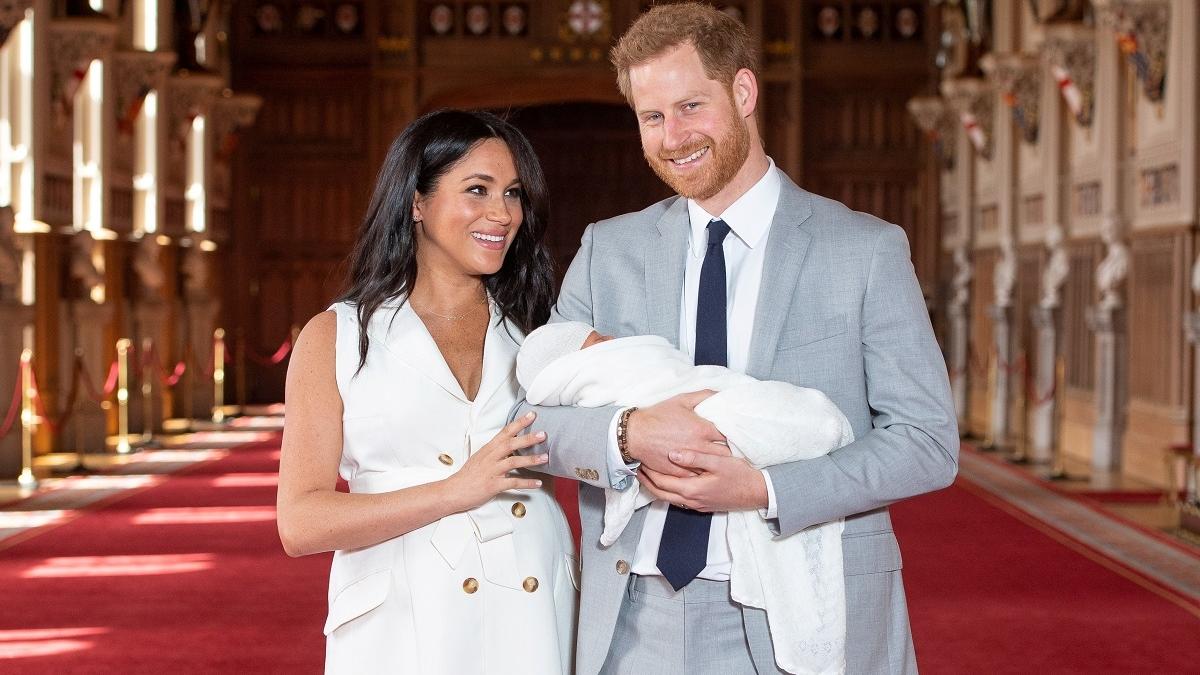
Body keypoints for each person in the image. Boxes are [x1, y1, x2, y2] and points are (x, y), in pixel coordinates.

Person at [513, 4, 959, 674]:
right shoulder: (609, 250)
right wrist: (628, 434)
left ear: (743, 92)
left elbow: (927, 443)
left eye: (692, 105)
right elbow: (533, 418)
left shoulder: (864, 250)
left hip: (799, 607)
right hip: (637, 614)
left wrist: (764, 488)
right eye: (652, 116)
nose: (673, 135)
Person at [277, 109, 577, 674]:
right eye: (477, 190)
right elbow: (300, 524)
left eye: (513, 193)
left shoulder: (539, 332)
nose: (502, 213)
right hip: (402, 624)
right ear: (417, 202)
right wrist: (453, 491)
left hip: (531, 607)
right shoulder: (337, 336)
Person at [517, 321, 853, 674]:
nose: (613, 341)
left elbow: (915, 435)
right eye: (601, 341)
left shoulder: (869, 263)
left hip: (757, 602)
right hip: (632, 605)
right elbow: (526, 421)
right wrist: (629, 434)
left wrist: (761, 488)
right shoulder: (595, 273)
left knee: (793, 419)